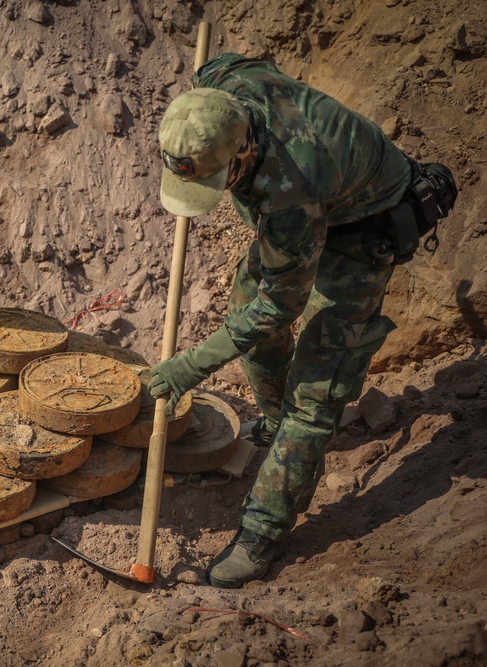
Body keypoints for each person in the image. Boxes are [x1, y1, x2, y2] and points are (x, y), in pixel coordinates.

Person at [147, 53, 457, 588]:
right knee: (244, 312)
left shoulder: (292, 189)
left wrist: (191, 365)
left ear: (244, 152)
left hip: (361, 229)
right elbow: (220, 70)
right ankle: (272, 421)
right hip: (321, 204)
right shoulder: (220, 84)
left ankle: (262, 531)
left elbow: (279, 306)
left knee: (316, 391)